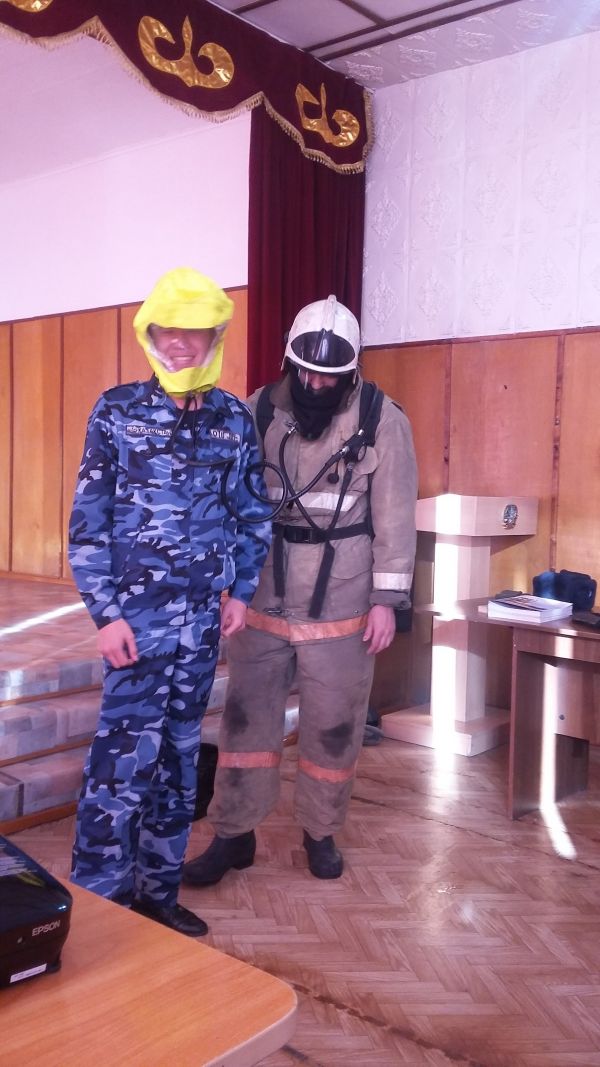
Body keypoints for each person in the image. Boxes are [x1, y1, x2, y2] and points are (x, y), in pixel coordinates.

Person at [182, 294, 417, 885]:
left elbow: (395, 516)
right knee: (245, 724)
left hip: (343, 600)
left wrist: (388, 602)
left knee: (334, 724)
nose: (314, 384)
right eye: (306, 372)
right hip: (263, 591)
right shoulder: (257, 409)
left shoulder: (382, 419)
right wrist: (224, 583)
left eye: (328, 376)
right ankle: (233, 834)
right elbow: (228, 501)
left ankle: (320, 832)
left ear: (351, 371)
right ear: (290, 362)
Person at [68, 267, 271, 936]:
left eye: (194, 333)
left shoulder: (233, 419)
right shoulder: (117, 411)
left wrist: (242, 590)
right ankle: (101, 906)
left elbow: (253, 513)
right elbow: (88, 525)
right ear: (149, 335)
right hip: (136, 624)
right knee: (120, 764)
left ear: (215, 337)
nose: (180, 345)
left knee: (180, 762)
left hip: (202, 626)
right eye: (167, 332)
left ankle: (158, 892)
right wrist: (106, 615)